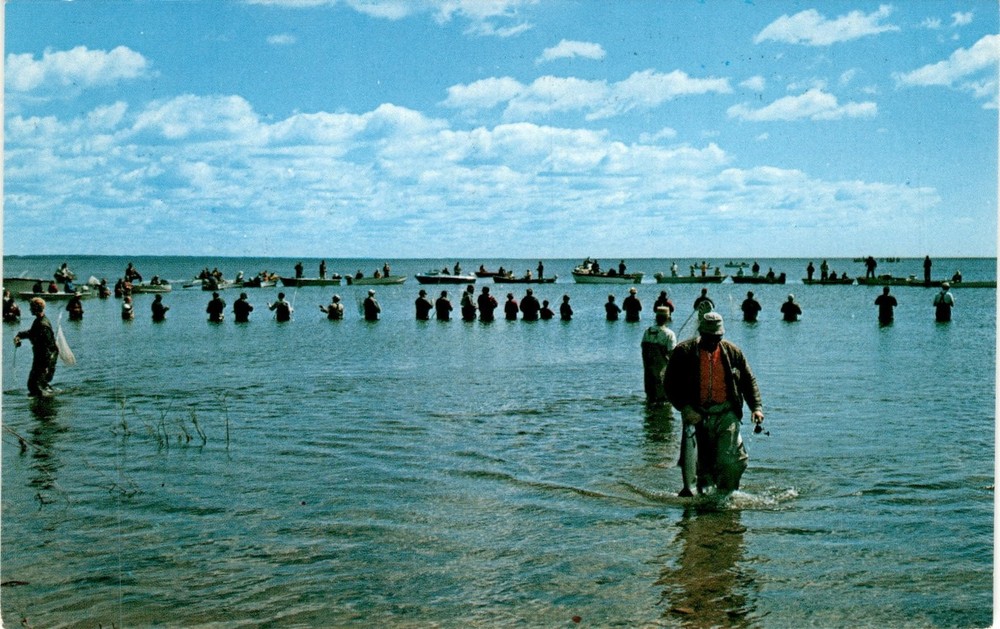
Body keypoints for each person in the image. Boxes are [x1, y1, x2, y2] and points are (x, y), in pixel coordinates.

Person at [665, 312, 764, 496]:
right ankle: (704, 504)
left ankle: (726, 496)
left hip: (726, 412)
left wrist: (756, 408)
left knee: (730, 461)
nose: (713, 342)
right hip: (696, 414)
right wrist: (685, 408)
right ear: (701, 333)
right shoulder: (683, 352)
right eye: (709, 338)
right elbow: (669, 384)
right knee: (702, 465)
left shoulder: (733, 352)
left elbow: (748, 381)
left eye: (717, 338)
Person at [13, 298, 59, 397]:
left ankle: (44, 406)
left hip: (46, 357)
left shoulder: (43, 324)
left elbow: (49, 345)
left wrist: (47, 365)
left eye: (31, 307)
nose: (29, 310)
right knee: (34, 385)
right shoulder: (39, 321)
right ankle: (45, 401)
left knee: (35, 385)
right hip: (41, 355)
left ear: (36, 308)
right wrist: (19, 335)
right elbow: (32, 333)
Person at [641, 306, 676, 406]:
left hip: (648, 371)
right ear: (668, 318)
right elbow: (672, 355)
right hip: (662, 372)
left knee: (650, 400)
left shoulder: (647, 331)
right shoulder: (669, 334)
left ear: (655, 318)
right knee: (663, 402)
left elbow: (643, 349)